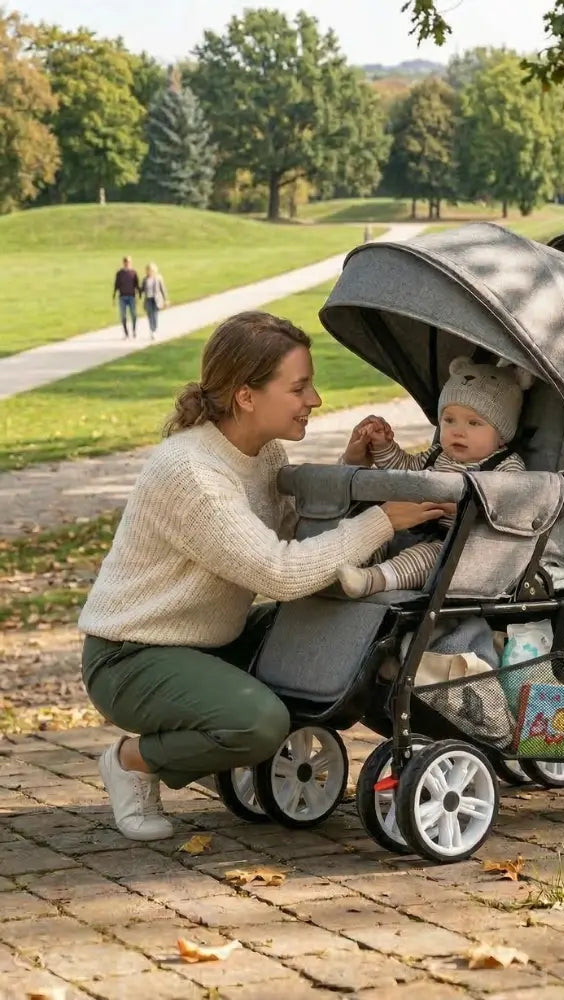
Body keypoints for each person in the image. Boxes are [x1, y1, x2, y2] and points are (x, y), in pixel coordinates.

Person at [78, 311, 447, 841]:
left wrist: (347, 474)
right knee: (258, 723)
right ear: (246, 396)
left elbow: (295, 537)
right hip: (132, 656)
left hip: (210, 641)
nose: (315, 399)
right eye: (299, 387)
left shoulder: (263, 452)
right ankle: (132, 761)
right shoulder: (192, 473)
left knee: (348, 629)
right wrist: (382, 520)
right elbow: (279, 572)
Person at [336, 357, 531, 598]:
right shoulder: (437, 455)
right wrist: (382, 445)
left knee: (428, 557)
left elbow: (511, 505)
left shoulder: (505, 466)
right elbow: (404, 470)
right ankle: (349, 569)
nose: (458, 431)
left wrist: (462, 505)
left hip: (457, 547)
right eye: (449, 420)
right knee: (376, 533)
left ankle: (372, 579)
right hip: (411, 529)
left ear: (501, 434)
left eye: (474, 423)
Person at [113, 255, 141, 339]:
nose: (127, 263)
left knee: (134, 314)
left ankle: (134, 331)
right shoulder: (119, 273)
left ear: (130, 262)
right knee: (123, 315)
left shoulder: (133, 272)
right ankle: (126, 333)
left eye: (128, 262)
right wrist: (114, 296)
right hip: (122, 297)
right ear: (123, 262)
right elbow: (116, 285)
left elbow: (136, 284)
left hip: (131, 296)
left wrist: (139, 294)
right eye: (125, 262)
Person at [141, 262, 168, 339]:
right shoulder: (145, 279)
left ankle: (155, 329)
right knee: (149, 315)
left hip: (156, 299)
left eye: (150, 270)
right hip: (148, 299)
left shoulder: (158, 278)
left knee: (155, 315)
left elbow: (163, 289)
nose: (149, 271)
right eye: (148, 270)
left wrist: (166, 299)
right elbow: (142, 289)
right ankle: (152, 330)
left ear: (154, 270)